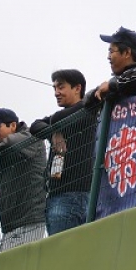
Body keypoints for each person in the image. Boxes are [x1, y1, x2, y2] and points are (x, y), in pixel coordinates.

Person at [30, 70, 97, 235]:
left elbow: (57, 118)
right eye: (54, 88)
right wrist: (54, 133)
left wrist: (54, 125)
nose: (56, 93)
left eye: (61, 87)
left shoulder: (88, 110)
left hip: (73, 194)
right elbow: (35, 126)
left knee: (63, 247)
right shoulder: (62, 117)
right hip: (61, 194)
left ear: (77, 88)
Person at [0, 108, 47, 251]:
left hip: (30, 219)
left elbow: (13, 141)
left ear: (13, 125)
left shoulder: (31, 136)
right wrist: (0, 145)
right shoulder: (3, 146)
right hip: (10, 225)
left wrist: (1, 145)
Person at [90, 27, 136, 101]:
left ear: (127, 53)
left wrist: (111, 85)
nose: (108, 57)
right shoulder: (114, 83)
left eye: (111, 51)